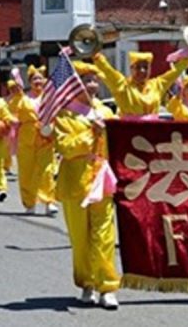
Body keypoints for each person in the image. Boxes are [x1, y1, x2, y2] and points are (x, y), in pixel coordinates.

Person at [54, 61, 120, 309]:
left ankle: (107, 286)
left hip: (101, 180)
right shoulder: (65, 114)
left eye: (95, 79)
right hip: (76, 181)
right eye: (86, 79)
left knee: (104, 235)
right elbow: (66, 147)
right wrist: (89, 134)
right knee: (80, 237)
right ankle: (87, 283)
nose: (93, 83)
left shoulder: (106, 112)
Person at [9, 65, 57, 213]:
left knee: (46, 170)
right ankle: (29, 203)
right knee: (27, 171)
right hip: (27, 138)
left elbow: (58, 115)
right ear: (29, 82)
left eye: (40, 78)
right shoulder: (22, 99)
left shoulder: (50, 97)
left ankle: (48, 201)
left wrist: (52, 129)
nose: (38, 81)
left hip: (46, 137)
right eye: (34, 79)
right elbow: (11, 114)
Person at [93, 49, 188, 117]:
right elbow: (107, 70)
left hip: (151, 134)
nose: (142, 71)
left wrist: (187, 57)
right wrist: (96, 55)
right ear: (131, 69)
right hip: (127, 134)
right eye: (138, 67)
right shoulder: (122, 85)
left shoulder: (157, 84)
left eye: (145, 67)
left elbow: (175, 72)